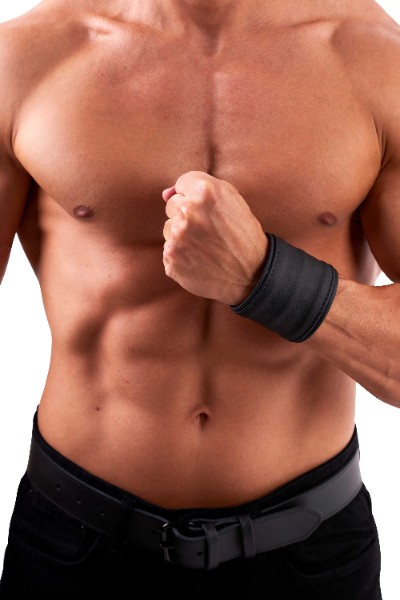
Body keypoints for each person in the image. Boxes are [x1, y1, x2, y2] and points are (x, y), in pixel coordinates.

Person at [0, 0, 398, 597]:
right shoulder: (25, 58)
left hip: (309, 551)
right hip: (77, 542)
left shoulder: (378, 62)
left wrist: (264, 278)